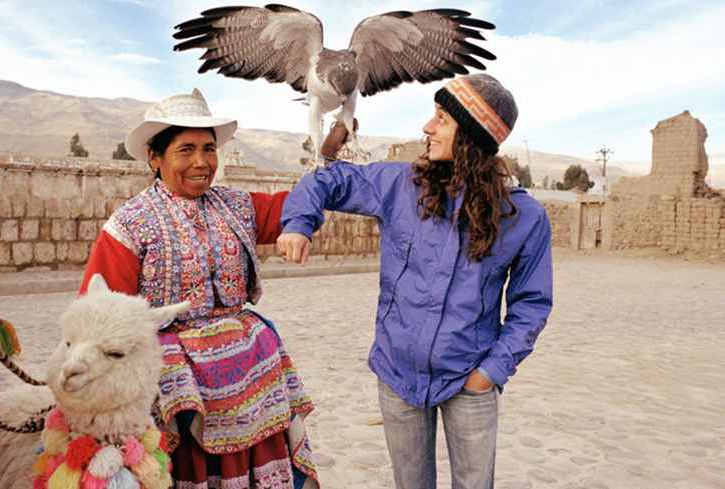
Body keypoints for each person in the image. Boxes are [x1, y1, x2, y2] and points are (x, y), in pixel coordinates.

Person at [277, 74, 553, 489]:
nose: (427, 127)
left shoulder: (524, 216)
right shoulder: (401, 185)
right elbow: (327, 178)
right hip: (397, 373)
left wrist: (491, 371)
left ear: (471, 135)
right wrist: (298, 223)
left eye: (441, 119)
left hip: (470, 378)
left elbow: (531, 303)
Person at [80, 89, 318, 489]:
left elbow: (299, 204)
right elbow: (100, 317)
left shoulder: (236, 205)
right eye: (185, 149)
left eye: (209, 149)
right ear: (154, 158)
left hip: (251, 369)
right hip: (179, 387)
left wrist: (322, 171)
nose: (201, 162)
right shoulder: (130, 224)